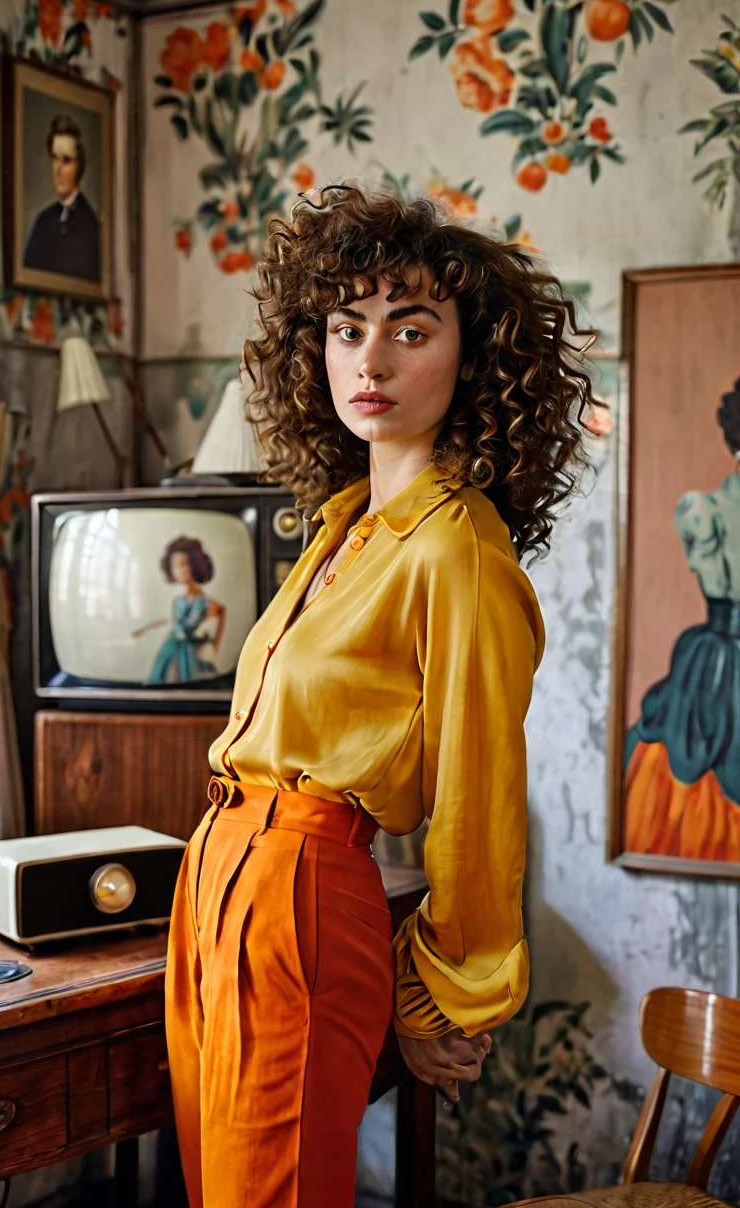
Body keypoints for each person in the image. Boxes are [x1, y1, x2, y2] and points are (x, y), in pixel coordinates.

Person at [165, 182, 594, 1208]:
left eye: (410, 329)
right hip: (214, 880)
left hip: (305, 890)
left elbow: (481, 802)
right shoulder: (342, 522)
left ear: (472, 351)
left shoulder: (460, 550)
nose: (370, 360)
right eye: (347, 327)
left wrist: (440, 992)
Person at [624, 363, 740, 862]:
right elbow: (720, 579)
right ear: (739, 432)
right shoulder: (702, 508)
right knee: (689, 751)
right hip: (712, 651)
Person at [132, 536, 227, 683]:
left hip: (191, 650)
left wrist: (214, 648)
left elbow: (221, 612)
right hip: (171, 647)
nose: (180, 571)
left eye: (184, 564)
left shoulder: (205, 601)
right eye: (175, 566)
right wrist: (144, 629)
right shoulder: (177, 601)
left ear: (195, 565)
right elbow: (168, 620)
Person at [23, 112, 100, 282]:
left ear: (79, 165)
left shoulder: (91, 225)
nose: (58, 169)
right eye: (55, 158)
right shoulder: (43, 220)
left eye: (66, 160)